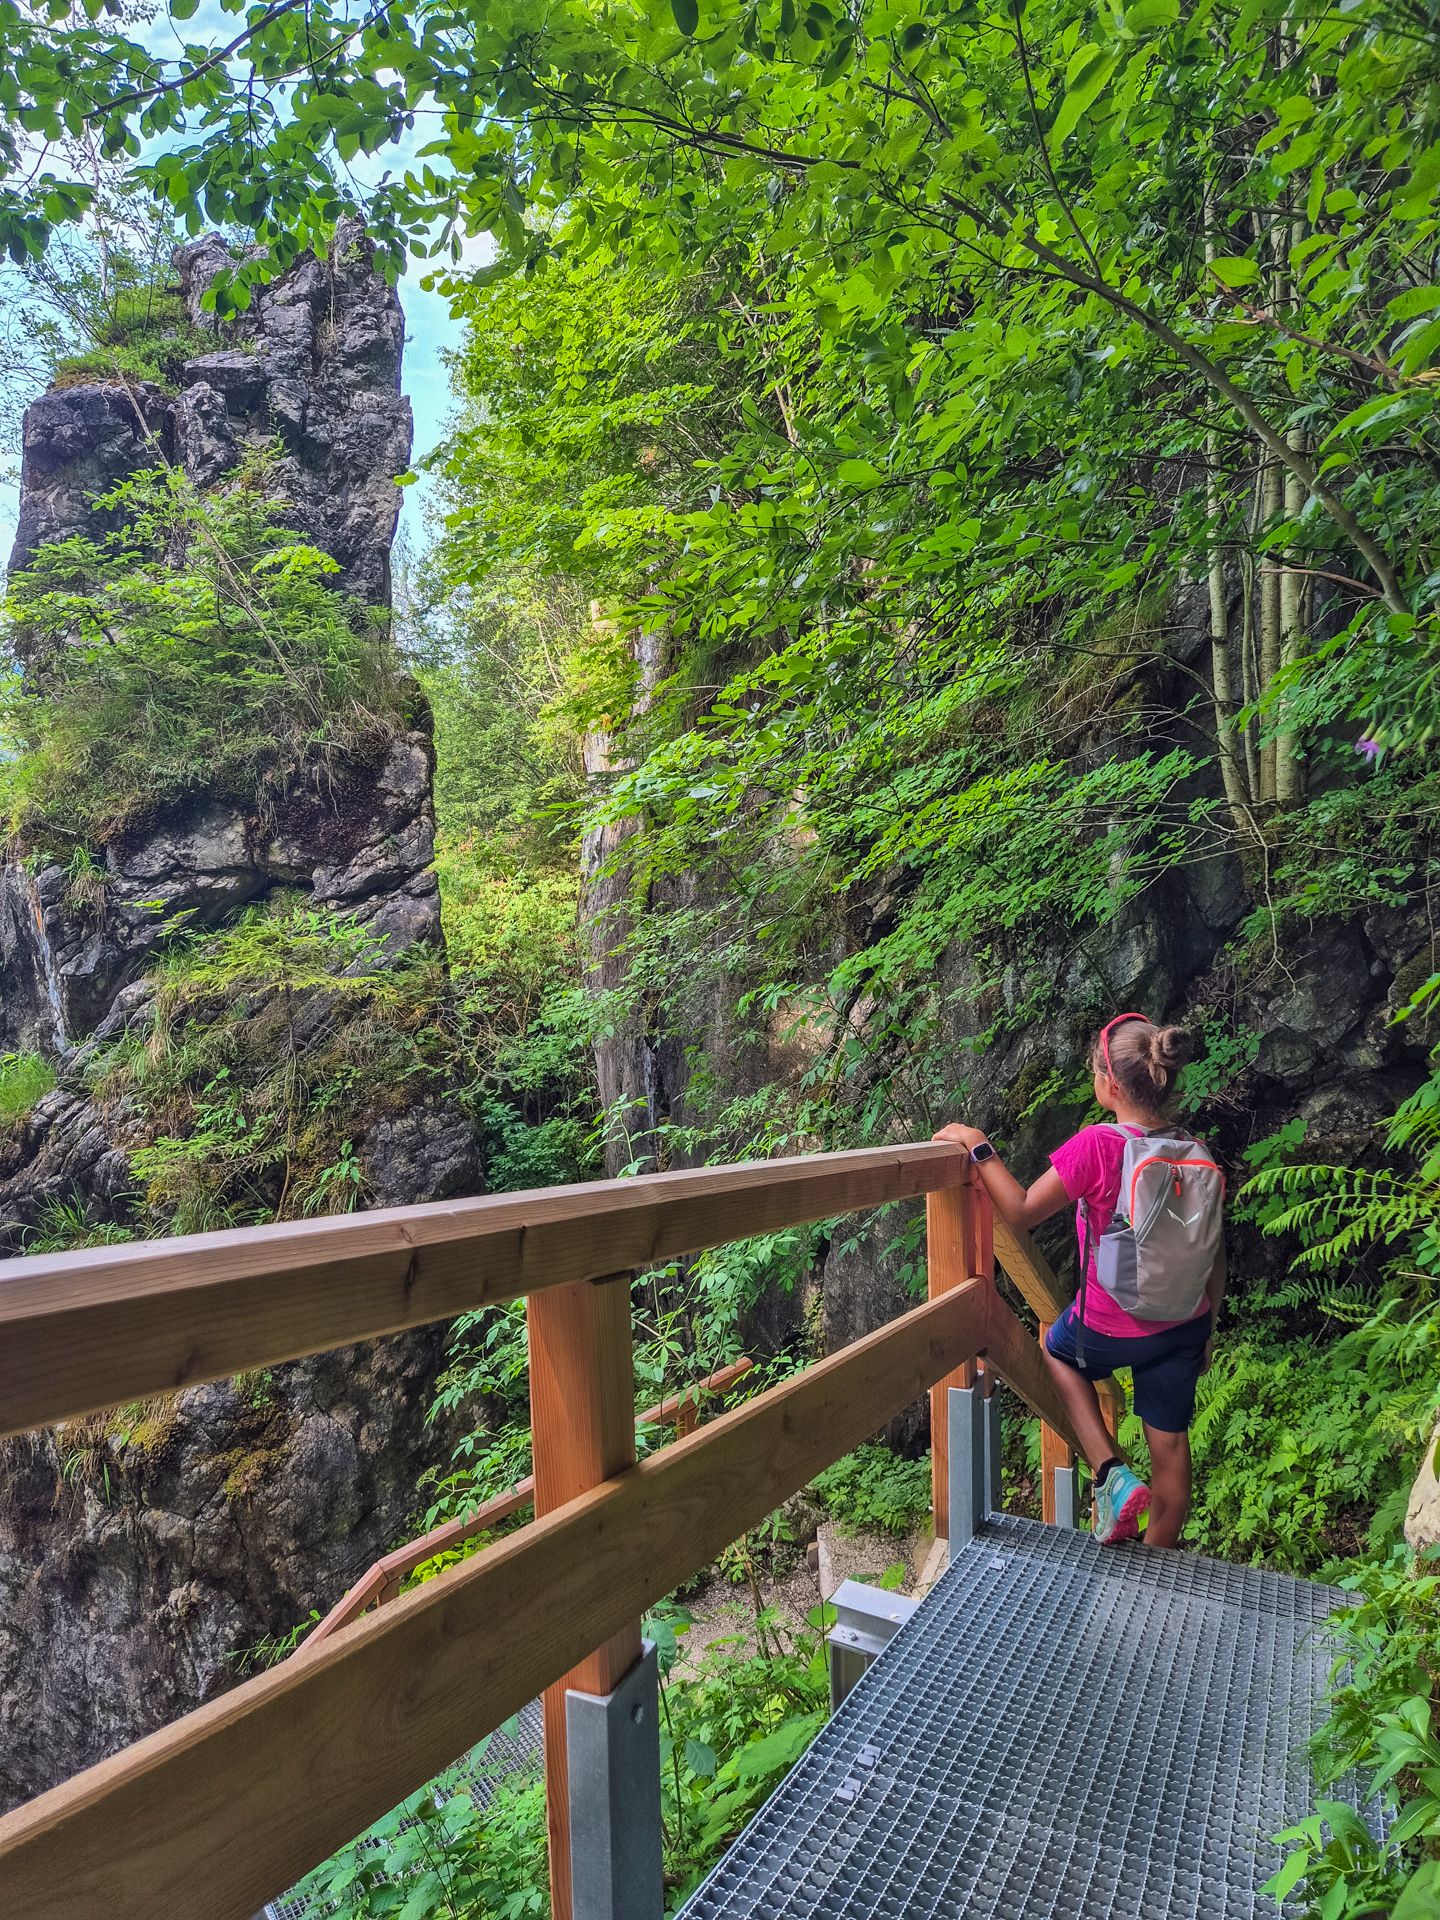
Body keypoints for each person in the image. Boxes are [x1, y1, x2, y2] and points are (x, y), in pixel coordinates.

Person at [933, 1014, 1226, 1548]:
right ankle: (1157, 1556)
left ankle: (1111, 1472)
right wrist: (1206, 1329)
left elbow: (1020, 1210)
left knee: (1057, 1350)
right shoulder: (1193, 1150)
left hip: (1112, 1324)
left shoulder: (1098, 1145)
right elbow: (1216, 1252)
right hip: (1184, 1321)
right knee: (1172, 1447)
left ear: (1110, 1084)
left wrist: (978, 1145)